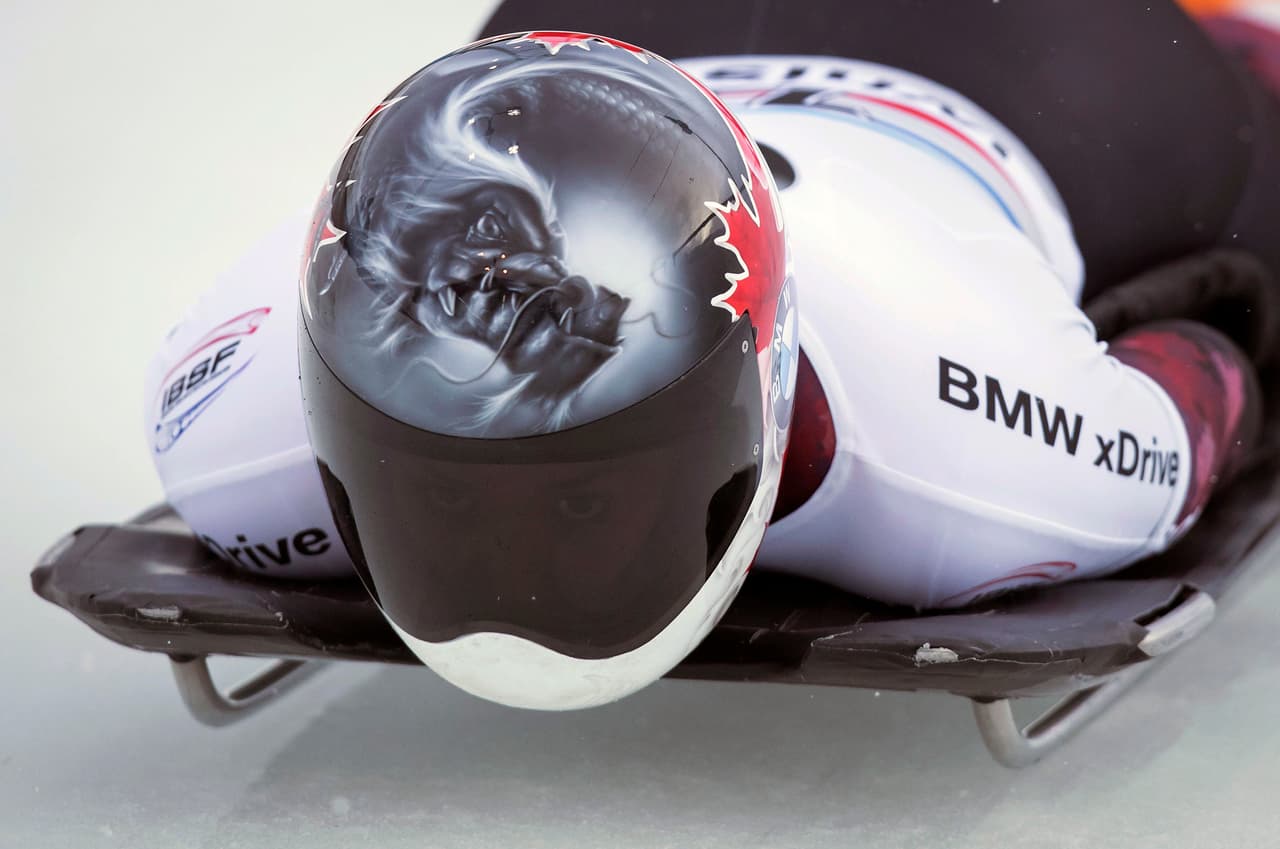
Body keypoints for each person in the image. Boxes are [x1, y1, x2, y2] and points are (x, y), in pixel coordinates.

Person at [144, 2, 1277, 708]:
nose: (513, 571)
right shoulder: (227, 434)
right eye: (438, 488)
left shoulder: (975, 467)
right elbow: (1195, 376)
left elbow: (1200, 380)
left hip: (1051, 52)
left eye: (579, 499)